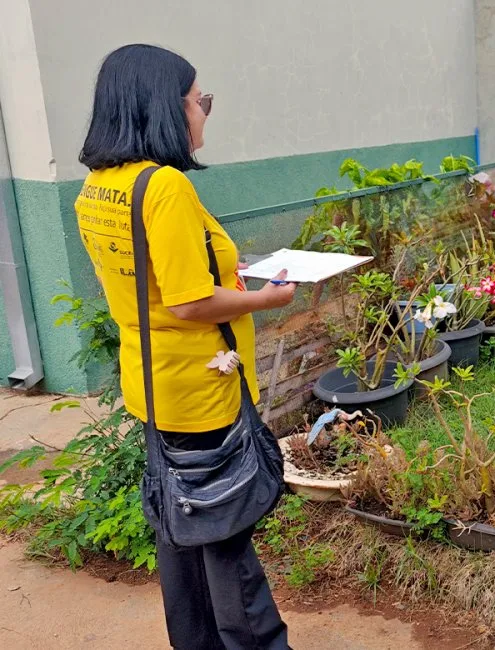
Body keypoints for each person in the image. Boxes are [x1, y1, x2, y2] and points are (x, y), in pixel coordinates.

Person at [74, 44, 295, 649]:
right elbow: (187, 304)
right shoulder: (164, 186)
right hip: (202, 385)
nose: (204, 113)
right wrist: (266, 299)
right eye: (201, 101)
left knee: (181, 523)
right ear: (165, 108)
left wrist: (225, 270)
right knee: (224, 537)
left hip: (152, 383)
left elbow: (153, 281)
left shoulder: (101, 186)